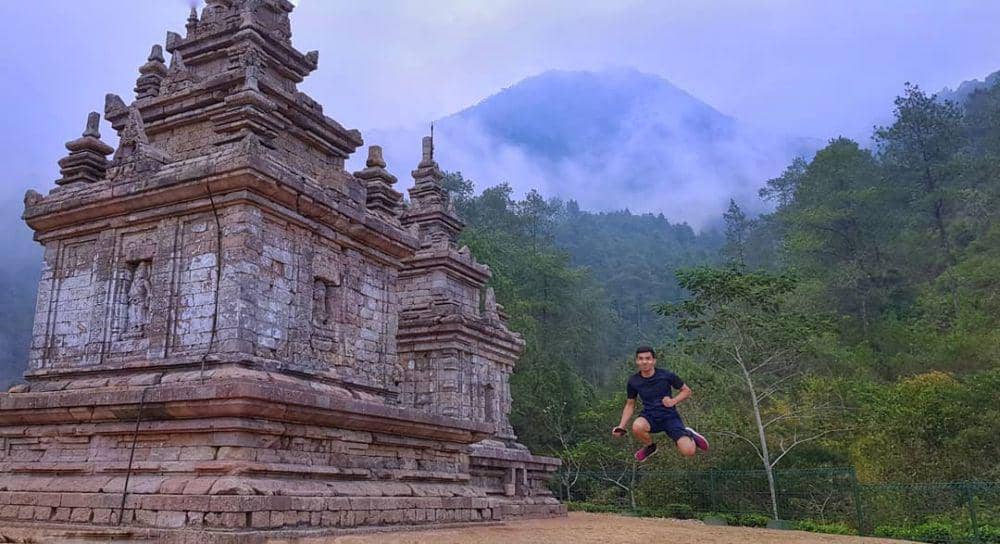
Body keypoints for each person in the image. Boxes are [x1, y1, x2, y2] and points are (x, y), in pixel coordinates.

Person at [612, 346, 709, 461]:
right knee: (637, 426)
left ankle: (689, 433)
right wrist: (621, 426)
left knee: (689, 452)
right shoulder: (633, 381)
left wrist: (673, 401)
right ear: (637, 361)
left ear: (654, 360)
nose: (644, 362)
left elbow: (687, 391)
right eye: (641, 359)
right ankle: (650, 446)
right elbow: (630, 404)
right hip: (650, 417)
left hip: (670, 418)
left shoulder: (666, 375)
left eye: (648, 358)